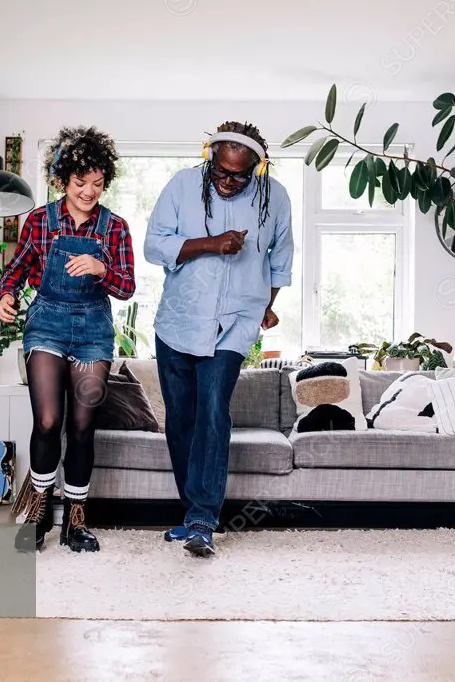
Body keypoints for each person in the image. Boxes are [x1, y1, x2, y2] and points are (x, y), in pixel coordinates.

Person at [144, 121, 294, 558]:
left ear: (257, 170)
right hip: (179, 318)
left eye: (239, 175)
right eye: (221, 172)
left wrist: (267, 302)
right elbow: (155, 246)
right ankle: (192, 514)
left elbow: (279, 259)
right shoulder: (182, 185)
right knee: (181, 418)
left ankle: (202, 519)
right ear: (210, 158)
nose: (228, 182)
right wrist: (211, 243)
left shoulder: (274, 197)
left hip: (236, 320)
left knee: (213, 409)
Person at [0, 125, 135, 553]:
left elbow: (127, 286)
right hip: (47, 323)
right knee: (48, 422)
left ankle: (76, 521)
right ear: (63, 179)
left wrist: (100, 270)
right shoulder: (40, 220)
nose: (89, 192)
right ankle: (38, 512)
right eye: (81, 183)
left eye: (97, 184)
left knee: (81, 426)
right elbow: (17, 269)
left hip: (94, 329)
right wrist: (6, 295)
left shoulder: (115, 227)